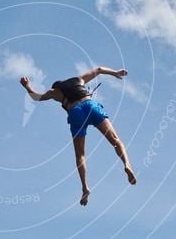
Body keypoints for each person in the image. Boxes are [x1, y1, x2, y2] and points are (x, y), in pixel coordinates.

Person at [20, 66, 136, 206]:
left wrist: (27, 86)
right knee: (116, 140)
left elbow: (36, 96)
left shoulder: (54, 92)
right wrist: (115, 73)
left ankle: (85, 187)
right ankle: (127, 164)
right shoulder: (78, 79)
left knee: (80, 155)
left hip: (76, 112)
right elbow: (98, 69)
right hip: (90, 105)